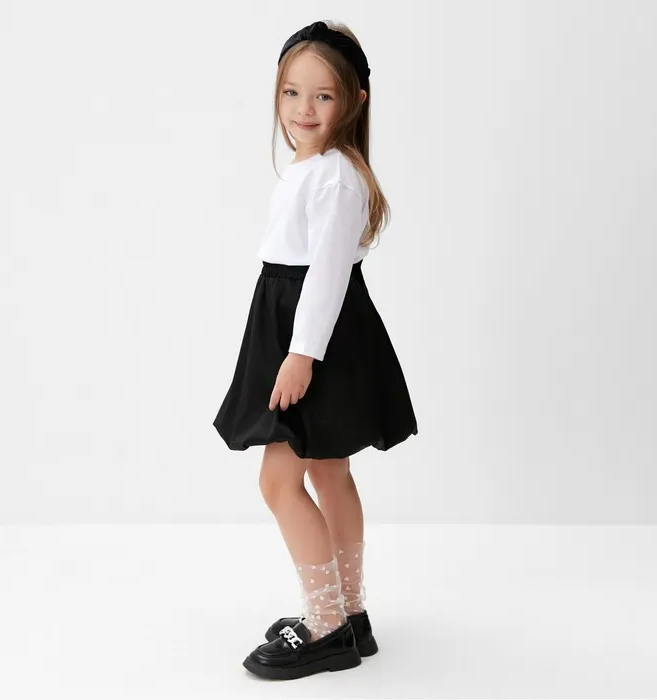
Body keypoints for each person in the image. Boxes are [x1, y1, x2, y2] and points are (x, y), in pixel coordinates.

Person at [213, 19, 418, 680]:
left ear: (355, 100)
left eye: (323, 95)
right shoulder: (316, 169)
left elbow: (327, 274)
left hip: (312, 332)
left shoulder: (336, 178)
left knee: (279, 480)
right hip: (309, 325)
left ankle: (326, 624)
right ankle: (349, 613)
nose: (304, 109)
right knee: (329, 472)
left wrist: (300, 355)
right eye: (291, 93)